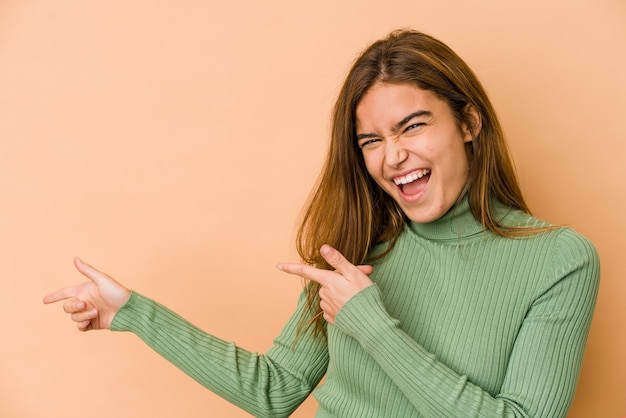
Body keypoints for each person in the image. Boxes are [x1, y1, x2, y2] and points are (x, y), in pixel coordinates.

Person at [43, 29, 600, 417]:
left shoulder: (558, 260)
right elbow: (273, 391)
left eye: (412, 126)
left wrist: (373, 325)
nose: (393, 156)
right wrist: (134, 314)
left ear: (469, 122)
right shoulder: (356, 253)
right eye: (372, 141)